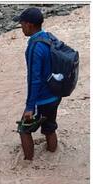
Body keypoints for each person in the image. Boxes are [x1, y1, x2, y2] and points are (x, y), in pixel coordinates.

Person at [14, 7, 61, 160]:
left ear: (29, 25)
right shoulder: (49, 38)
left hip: (42, 98)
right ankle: (53, 157)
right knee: (49, 129)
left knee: (24, 130)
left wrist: (29, 107)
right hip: (56, 94)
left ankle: (28, 165)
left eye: (21, 25)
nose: (21, 28)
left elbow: (34, 79)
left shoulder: (34, 47)